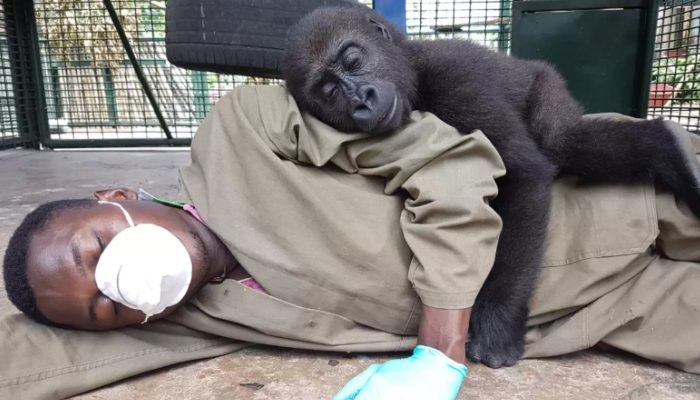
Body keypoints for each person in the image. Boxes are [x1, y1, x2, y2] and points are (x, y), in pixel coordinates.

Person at [2, 85, 699, 400]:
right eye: (104, 307)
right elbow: (29, 356)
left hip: (612, 191)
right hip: (600, 311)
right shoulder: (190, 315)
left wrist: (440, 350)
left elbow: (450, 162)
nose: (121, 282)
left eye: (97, 250)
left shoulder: (242, 131)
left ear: (116, 197)